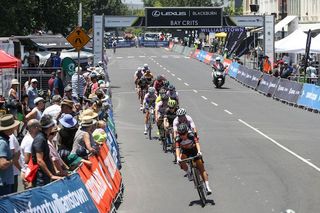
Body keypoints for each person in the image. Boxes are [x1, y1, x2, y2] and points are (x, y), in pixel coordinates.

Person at [175, 123, 212, 195]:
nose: (183, 136)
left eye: (184, 134)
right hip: (185, 152)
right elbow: (177, 148)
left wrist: (199, 151)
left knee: (201, 168)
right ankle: (188, 172)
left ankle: (207, 186)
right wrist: (178, 157)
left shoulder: (191, 135)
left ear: (187, 132)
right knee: (181, 159)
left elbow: (197, 143)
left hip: (194, 151)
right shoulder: (178, 138)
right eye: (181, 134)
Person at [32, 115, 61, 187]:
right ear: (50, 127)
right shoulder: (40, 139)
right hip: (40, 178)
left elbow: (48, 156)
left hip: (45, 176)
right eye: (53, 125)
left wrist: (54, 171)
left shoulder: (44, 137)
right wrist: (51, 175)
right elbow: (39, 160)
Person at [0, 114, 20, 196]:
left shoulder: (4, 140)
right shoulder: (3, 142)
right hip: (3, 183)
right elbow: (2, 164)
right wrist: (14, 159)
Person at [20, 119, 41, 189]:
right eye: (39, 127)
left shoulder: (31, 138)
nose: (40, 128)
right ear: (35, 128)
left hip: (29, 173)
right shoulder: (29, 141)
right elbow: (27, 159)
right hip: (29, 174)